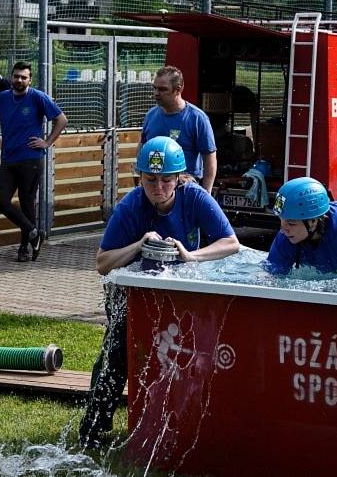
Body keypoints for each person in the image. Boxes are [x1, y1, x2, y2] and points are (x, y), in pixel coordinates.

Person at [79, 136, 240, 448]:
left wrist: (191, 256)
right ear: (139, 177)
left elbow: (230, 243)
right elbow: (102, 262)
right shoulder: (130, 207)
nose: (158, 188)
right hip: (131, 293)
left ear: (179, 178)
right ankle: (94, 427)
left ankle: (185, 424)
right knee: (118, 351)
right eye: (150, 180)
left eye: (166, 180)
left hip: (179, 286)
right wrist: (139, 244)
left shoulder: (194, 197)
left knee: (188, 352)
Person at [0, 61, 68, 262]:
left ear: (30, 79)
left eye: (23, 77)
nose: (19, 80)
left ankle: (24, 248)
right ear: (11, 77)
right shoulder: (2, 98)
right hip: (8, 159)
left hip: (31, 159)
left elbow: (61, 119)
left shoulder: (37, 97)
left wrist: (47, 142)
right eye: (16, 76)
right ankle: (33, 232)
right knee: (0, 200)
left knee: (27, 203)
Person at [138, 66, 217, 193]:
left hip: (184, 187)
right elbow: (142, 147)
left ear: (178, 90)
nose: (157, 93)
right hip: (154, 188)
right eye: (155, 88)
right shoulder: (151, 115)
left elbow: (210, 158)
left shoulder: (197, 118)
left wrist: (206, 193)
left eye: (163, 89)